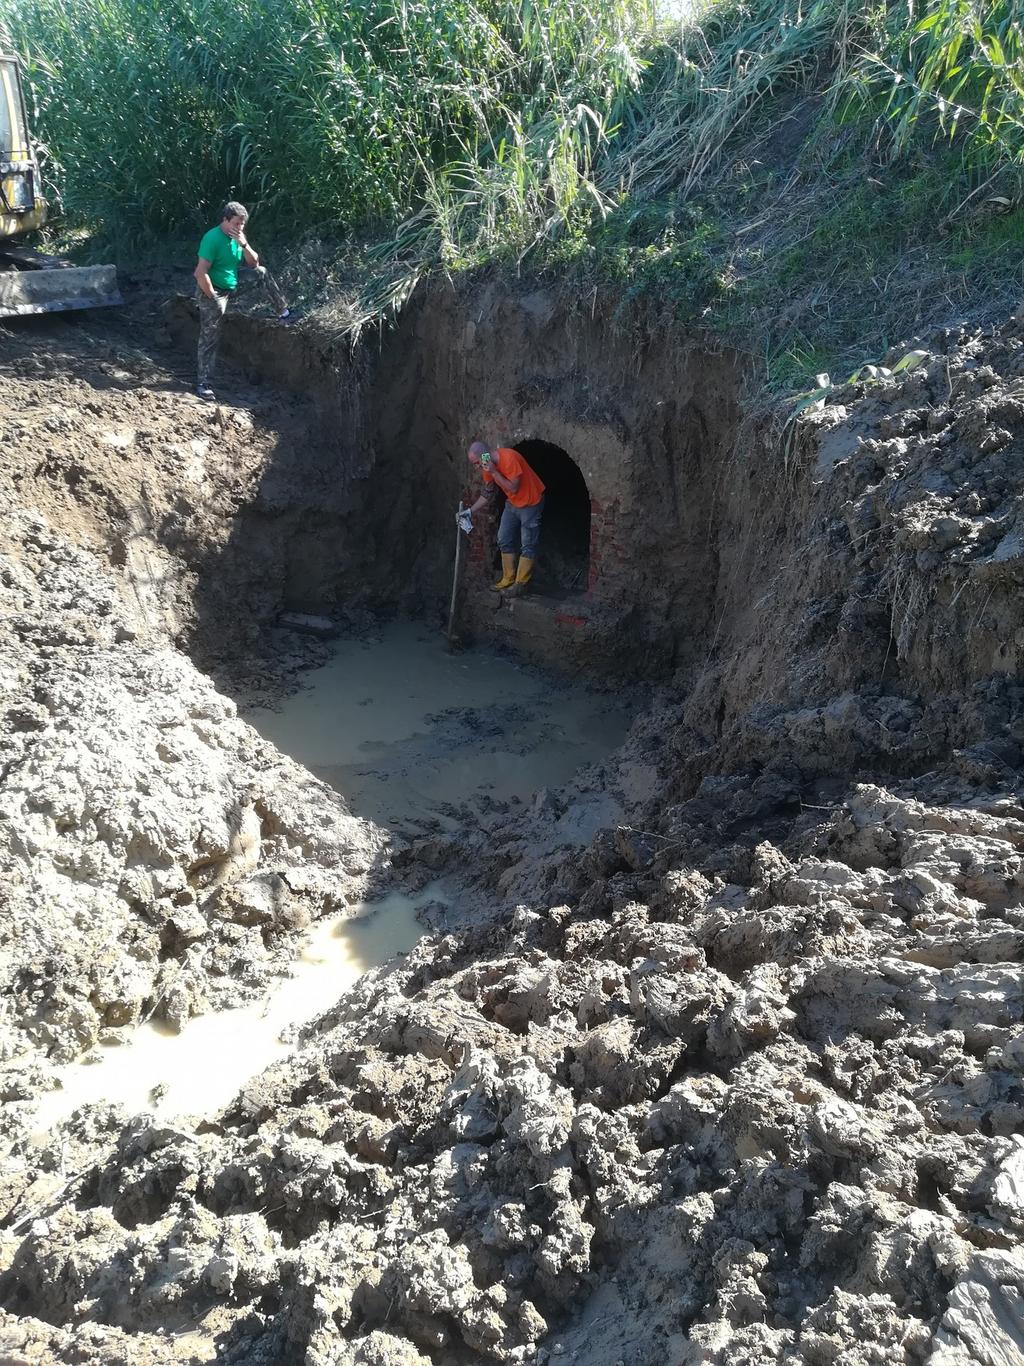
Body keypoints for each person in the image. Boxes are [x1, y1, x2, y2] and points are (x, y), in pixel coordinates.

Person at [193, 201, 292, 400]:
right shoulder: (212, 239)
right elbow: (200, 273)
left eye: (242, 224)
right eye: (236, 223)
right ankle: (204, 383)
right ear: (225, 220)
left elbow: (254, 263)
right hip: (212, 289)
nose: (239, 227)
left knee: (261, 273)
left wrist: (244, 244)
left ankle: (284, 312)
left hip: (233, 284)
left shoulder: (238, 238)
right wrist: (212, 297)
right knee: (210, 334)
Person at [465, 442, 545, 593]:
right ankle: (508, 578)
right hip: (513, 504)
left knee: (528, 543)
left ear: (484, 456)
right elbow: (488, 493)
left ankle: (521, 584)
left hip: (531, 501)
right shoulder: (487, 466)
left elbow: (513, 488)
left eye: (477, 463)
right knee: (503, 538)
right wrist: (470, 511)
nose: (477, 467)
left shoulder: (509, 458)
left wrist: (495, 472)